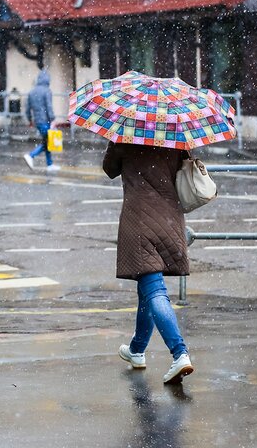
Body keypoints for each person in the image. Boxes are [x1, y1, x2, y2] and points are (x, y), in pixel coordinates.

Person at [102, 141, 194, 385]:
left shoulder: (126, 135)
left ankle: (179, 353)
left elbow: (109, 169)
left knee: (154, 290)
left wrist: (115, 142)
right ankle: (137, 349)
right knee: (148, 286)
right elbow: (182, 169)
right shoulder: (176, 135)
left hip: (140, 220)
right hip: (169, 218)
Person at [23, 70, 58, 171]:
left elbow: (27, 109)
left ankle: (50, 164)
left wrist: (30, 120)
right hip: (45, 121)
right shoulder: (47, 91)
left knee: (47, 141)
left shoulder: (32, 91)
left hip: (37, 121)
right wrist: (53, 119)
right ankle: (31, 155)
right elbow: (49, 106)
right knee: (47, 143)